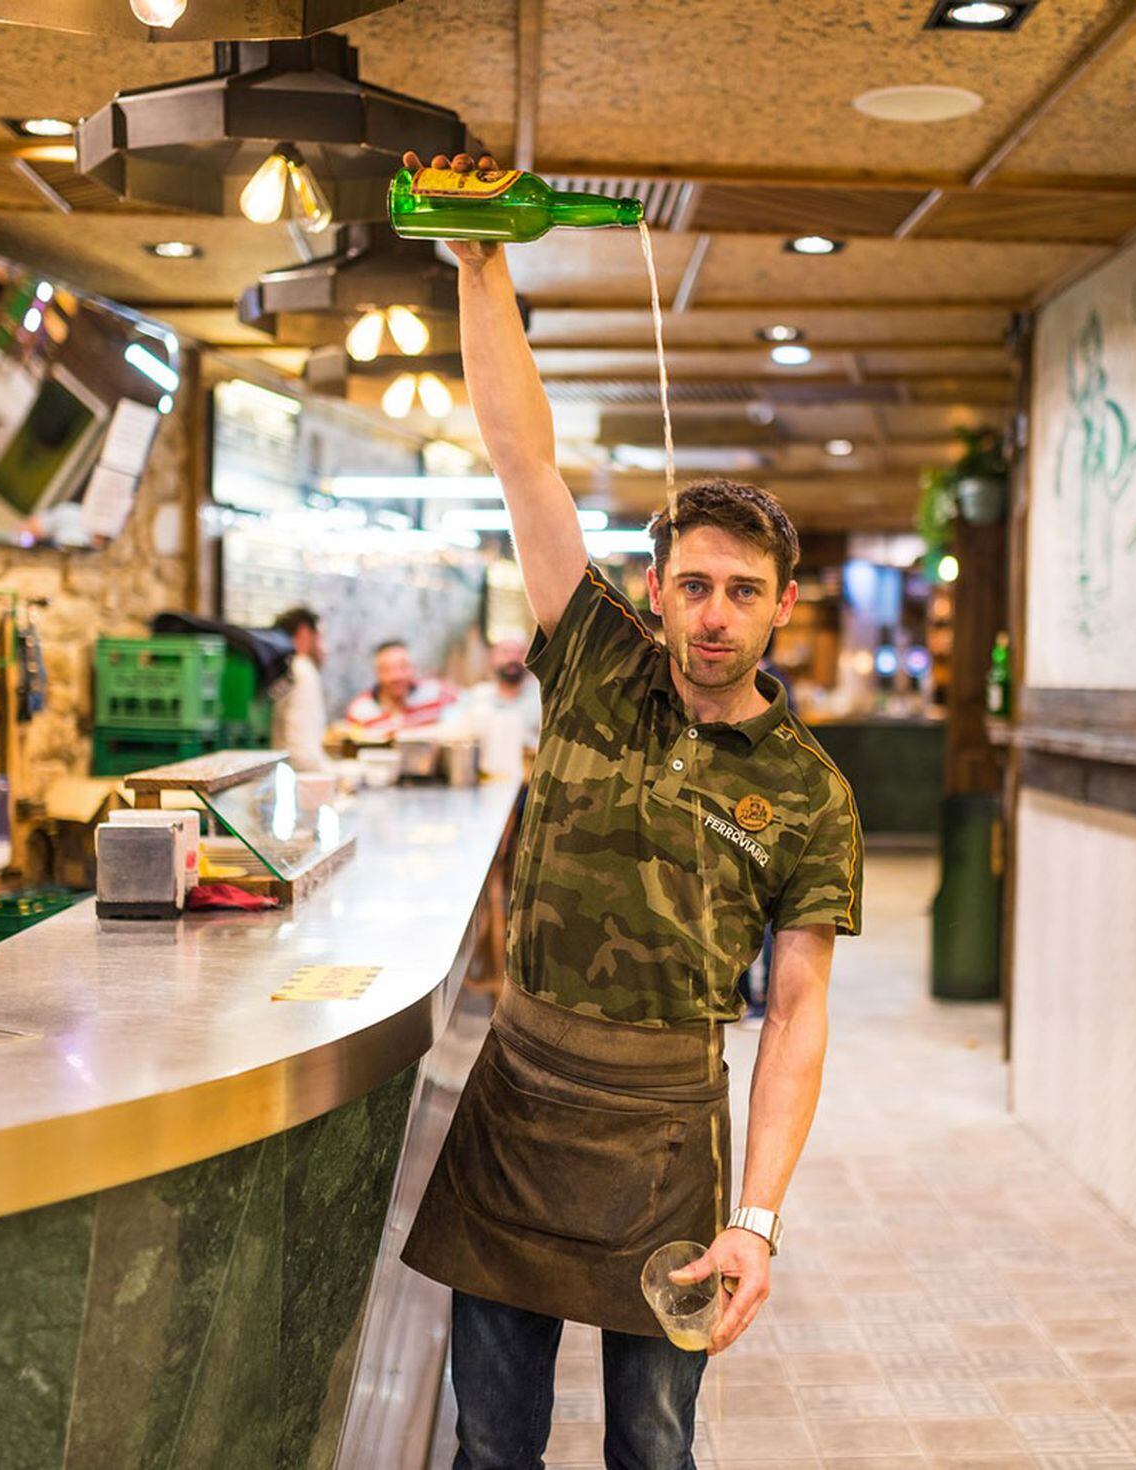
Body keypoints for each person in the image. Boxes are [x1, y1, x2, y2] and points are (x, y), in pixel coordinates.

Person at [400, 149, 863, 1470]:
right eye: (694, 582)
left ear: (783, 603)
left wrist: (759, 1215)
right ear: (655, 588)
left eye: (743, 588)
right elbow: (520, 453)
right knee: (491, 1448)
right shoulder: (598, 652)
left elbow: (800, 1012)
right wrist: (480, 260)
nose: (713, 610)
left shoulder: (808, 791)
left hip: (668, 1127)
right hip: (520, 1088)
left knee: (654, 1451)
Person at [455, 634, 541, 775]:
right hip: (483, 779)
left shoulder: (541, 698)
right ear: (492, 658)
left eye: (519, 653)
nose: (513, 658)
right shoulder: (477, 697)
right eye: (506, 652)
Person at [345, 638, 459, 736]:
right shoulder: (361, 711)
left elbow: (467, 708)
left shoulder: (435, 693)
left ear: (412, 668)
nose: (396, 676)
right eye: (387, 669)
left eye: (402, 667)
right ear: (377, 673)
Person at [269, 607, 329, 773]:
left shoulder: (285, 668)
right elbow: (304, 752)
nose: (326, 649)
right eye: (321, 637)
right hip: (301, 780)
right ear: (304, 633)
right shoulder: (302, 670)